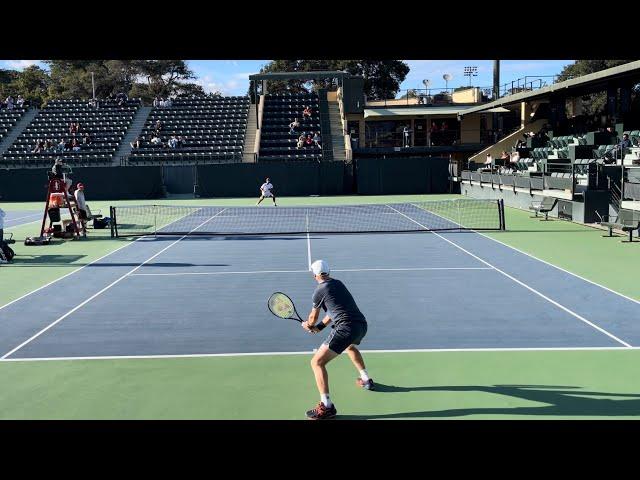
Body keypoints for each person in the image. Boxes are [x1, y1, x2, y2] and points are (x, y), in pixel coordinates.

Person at [302, 259, 373, 420]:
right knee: (349, 347)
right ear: (329, 272)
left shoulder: (319, 290)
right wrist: (319, 327)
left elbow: (313, 317)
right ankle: (366, 379)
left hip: (346, 328)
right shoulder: (338, 284)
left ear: (314, 276)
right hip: (361, 326)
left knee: (316, 363)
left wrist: (309, 324)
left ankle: (326, 407)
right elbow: (334, 311)